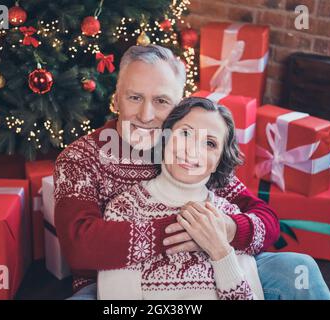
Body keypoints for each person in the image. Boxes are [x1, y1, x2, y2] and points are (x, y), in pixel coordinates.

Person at [54, 44, 330, 300]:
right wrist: (187, 229)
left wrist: (229, 229)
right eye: (135, 97)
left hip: (209, 269)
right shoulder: (80, 158)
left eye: (161, 101)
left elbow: (267, 221)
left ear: (178, 106)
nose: (146, 114)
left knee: (298, 269)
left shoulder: (188, 151)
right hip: (110, 279)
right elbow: (80, 249)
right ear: (117, 98)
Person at [98, 97, 264, 300]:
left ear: (219, 161)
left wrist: (221, 252)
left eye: (210, 143)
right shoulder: (125, 210)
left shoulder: (229, 217)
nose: (192, 150)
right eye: (185, 133)